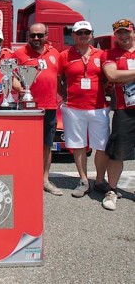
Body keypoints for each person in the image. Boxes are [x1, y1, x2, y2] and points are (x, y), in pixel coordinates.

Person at [58, 21, 110, 198]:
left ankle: (100, 180)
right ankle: (83, 180)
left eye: (86, 32)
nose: (83, 35)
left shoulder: (102, 54)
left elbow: (107, 78)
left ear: (92, 34)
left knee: (102, 146)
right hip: (73, 108)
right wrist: (63, 95)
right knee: (78, 145)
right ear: (73, 36)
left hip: (98, 107)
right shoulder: (65, 55)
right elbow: (58, 78)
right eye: (79, 32)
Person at [14, 23, 62, 195]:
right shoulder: (19, 54)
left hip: (49, 107)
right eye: (33, 35)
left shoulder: (55, 54)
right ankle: (24, 178)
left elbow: (61, 77)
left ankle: (44, 180)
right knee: (24, 146)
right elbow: (10, 76)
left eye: (40, 35)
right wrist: (22, 89)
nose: (36, 38)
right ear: (28, 35)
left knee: (46, 146)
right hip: (27, 108)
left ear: (46, 35)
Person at [100, 18, 135, 211]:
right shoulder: (110, 54)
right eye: (119, 33)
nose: (123, 36)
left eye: (126, 32)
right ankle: (112, 190)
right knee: (117, 153)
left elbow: (120, 76)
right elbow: (112, 76)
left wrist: (127, 75)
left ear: (133, 32)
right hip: (124, 110)